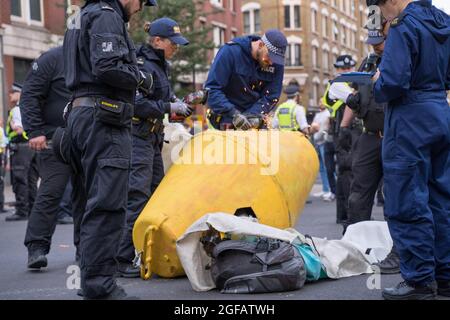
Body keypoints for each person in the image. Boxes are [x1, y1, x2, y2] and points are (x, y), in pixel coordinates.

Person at [63, 0, 157, 300]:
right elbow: (107, 66)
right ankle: (99, 285)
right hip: (103, 120)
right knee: (108, 203)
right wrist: (142, 78)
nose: (140, 7)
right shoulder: (106, 16)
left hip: (81, 116)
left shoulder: (80, 16)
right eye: (141, 2)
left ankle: (89, 278)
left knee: (87, 203)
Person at [368, 0, 450, 300]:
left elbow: (393, 82)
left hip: (409, 119)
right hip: (439, 111)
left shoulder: (404, 25)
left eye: (381, 10)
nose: (383, 18)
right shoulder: (444, 22)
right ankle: (445, 277)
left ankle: (418, 280)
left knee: (407, 199)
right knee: (441, 200)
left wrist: (377, 81)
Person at [116, 17, 191, 278]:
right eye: (173, 43)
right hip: (137, 136)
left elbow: (160, 96)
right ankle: (122, 258)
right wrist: (169, 107)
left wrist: (177, 102)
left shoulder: (159, 65)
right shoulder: (141, 64)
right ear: (157, 41)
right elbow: (136, 103)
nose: (176, 48)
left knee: (156, 196)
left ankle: (146, 250)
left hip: (152, 137)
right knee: (136, 196)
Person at [21, 46, 76, 269]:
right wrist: (35, 131)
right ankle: (36, 247)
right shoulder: (52, 58)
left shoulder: (96, 57)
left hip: (88, 140)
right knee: (51, 193)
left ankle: (86, 250)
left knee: (87, 196)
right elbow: (30, 95)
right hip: (54, 140)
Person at [205, 29, 287, 130]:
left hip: (254, 120)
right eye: (268, 57)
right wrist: (234, 114)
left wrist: (251, 115)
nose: (271, 62)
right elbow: (212, 90)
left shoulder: (276, 64)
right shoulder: (230, 52)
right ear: (260, 45)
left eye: (275, 60)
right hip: (226, 120)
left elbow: (271, 97)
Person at [322, 55, 357, 221]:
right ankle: (348, 214)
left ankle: (344, 214)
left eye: (349, 68)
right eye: (343, 69)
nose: (347, 71)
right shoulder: (338, 84)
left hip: (346, 132)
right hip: (342, 133)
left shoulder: (347, 83)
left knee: (345, 172)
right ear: (338, 69)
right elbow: (354, 99)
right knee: (347, 171)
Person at [5, 83, 39, 222]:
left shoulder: (16, 110)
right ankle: (32, 209)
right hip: (30, 147)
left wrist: (13, 125)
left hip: (20, 147)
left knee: (20, 179)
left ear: (19, 93)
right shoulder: (29, 107)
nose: (10, 95)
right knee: (31, 179)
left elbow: (18, 130)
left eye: (12, 92)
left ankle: (21, 210)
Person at [310, 102, 332, 200]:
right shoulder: (318, 114)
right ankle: (325, 189)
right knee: (322, 168)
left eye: (322, 101)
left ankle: (330, 190)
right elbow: (313, 126)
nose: (320, 103)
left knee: (328, 167)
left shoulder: (328, 114)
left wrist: (318, 134)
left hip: (323, 142)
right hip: (317, 143)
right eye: (319, 102)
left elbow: (325, 129)